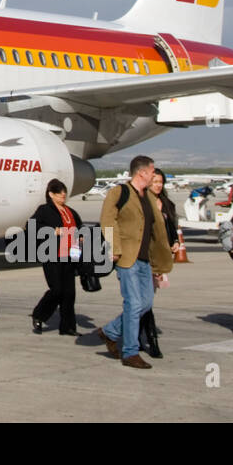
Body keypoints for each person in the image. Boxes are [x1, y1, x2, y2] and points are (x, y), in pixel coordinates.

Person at [96, 155, 174, 369]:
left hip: (145, 259)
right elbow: (107, 220)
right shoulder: (119, 193)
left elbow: (156, 228)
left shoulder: (148, 196)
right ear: (142, 172)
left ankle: (110, 331)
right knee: (133, 303)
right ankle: (130, 352)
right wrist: (114, 247)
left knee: (146, 303)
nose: (154, 176)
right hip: (127, 257)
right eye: (152, 172)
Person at [30, 178, 82, 337]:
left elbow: (79, 226)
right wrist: (53, 231)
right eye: (59, 193)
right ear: (51, 194)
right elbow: (33, 226)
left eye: (64, 193)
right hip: (53, 254)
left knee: (69, 293)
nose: (63, 195)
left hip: (70, 255)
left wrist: (81, 237)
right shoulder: (44, 210)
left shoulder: (70, 211)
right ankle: (39, 314)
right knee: (57, 290)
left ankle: (68, 327)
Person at [137, 169, 180, 357]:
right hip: (142, 257)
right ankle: (151, 340)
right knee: (144, 301)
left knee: (146, 301)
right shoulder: (142, 202)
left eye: (160, 182)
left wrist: (175, 242)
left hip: (158, 258)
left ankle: (137, 337)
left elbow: (171, 227)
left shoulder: (167, 204)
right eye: (154, 181)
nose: (158, 185)